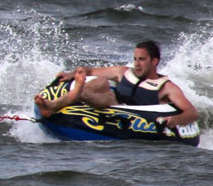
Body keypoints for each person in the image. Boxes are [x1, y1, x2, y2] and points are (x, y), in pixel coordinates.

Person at [34, 39, 199, 130]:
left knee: (102, 97)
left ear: (154, 61)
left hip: (122, 109)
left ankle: (54, 104)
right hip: (111, 97)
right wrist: (71, 74)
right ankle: (75, 91)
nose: (136, 64)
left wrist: (175, 120)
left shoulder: (166, 87)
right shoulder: (122, 72)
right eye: (135, 59)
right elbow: (91, 71)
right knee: (100, 80)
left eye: (142, 59)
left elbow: (192, 112)